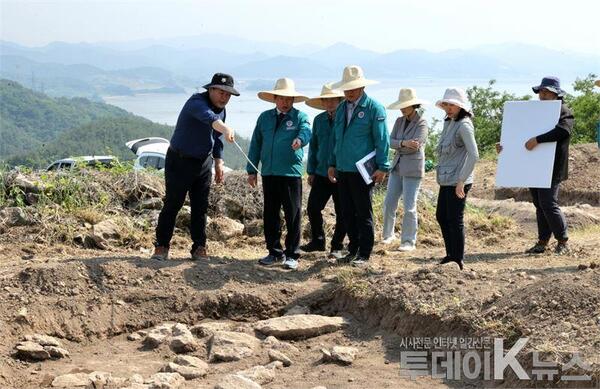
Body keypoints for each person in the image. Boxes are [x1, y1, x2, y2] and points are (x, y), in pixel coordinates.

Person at [152, 73, 238, 261]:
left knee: (201, 206)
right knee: (173, 203)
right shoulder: (196, 102)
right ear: (211, 89)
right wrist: (226, 128)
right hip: (179, 160)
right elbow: (210, 119)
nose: (225, 97)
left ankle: (199, 247)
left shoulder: (221, 110)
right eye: (221, 92)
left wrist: (218, 161)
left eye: (228, 95)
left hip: (203, 163)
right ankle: (161, 246)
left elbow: (216, 139)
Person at [497, 76, 574, 255]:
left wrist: (538, 140)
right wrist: (505, 146)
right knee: (539, 204)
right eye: (541, 91)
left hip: (553, 166)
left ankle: (563, 241)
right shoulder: (534, 113)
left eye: (547, 92)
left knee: (548, 203)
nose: (542, 95)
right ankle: (542, 241)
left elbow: (563, 131)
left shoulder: (564, 111)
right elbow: (518, 133)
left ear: (556, 94)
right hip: (533, 165)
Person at [328, 65, 390, 267]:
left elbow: (382, 140)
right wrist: (332, 163)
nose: (349, 92)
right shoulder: (341, 109)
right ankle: (352, 248)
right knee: (346, 211)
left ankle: (364, 252)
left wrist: (382, 166)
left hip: (363, 171)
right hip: (343, 168)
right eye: (346, 88)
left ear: (362, 86)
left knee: (363, 211)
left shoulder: (374, 108)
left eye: (353, 88)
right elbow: (335, 139)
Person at [247, 78, 311, 270]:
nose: (285, 102)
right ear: (275, 98)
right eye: (282, 98)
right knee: (271, 213)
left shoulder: (300, 116)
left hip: (290, 173)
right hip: (269, 173)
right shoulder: (264, 117)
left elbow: (307, 131)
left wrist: (300, 140)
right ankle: (274, 251)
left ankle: (292, 254)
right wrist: (252, 169)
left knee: (293, 213)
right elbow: (256, 143)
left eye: (289, 99)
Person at [435, 88, 479, 270]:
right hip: (446, 178)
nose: (449, 108)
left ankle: (458, 258)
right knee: (442, 216)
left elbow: (474, 154)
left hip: (458, 180)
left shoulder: (464, 125)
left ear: (460, 106)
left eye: (452, 105)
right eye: (446, 104)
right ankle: (450, 254)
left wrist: (462, 180)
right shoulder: (449, 122)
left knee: (454, 218)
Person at [301, 83, 346, 259]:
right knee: (313, 207)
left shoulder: (344, 118)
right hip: (320, 172)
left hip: (341, 172)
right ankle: (318, 241)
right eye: (326, 100)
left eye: (333, 99)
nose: (330, 103)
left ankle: (337, 245)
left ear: (339, 100)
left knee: (342, 211)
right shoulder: (319, 120)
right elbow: (314, 146)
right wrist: (310, 170)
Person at [382, 88, 429, 251]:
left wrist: (400, 144)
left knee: (409, 205)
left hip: (413, 169)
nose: (402, 108)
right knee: (389, 203)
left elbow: (416, 145)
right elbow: (389, 141)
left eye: (405, 105)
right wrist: (403, 143)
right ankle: (388, 235)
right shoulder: (399, 121)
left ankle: (409, 241)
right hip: (397, 166)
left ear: (413, 105)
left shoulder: (422, 122)